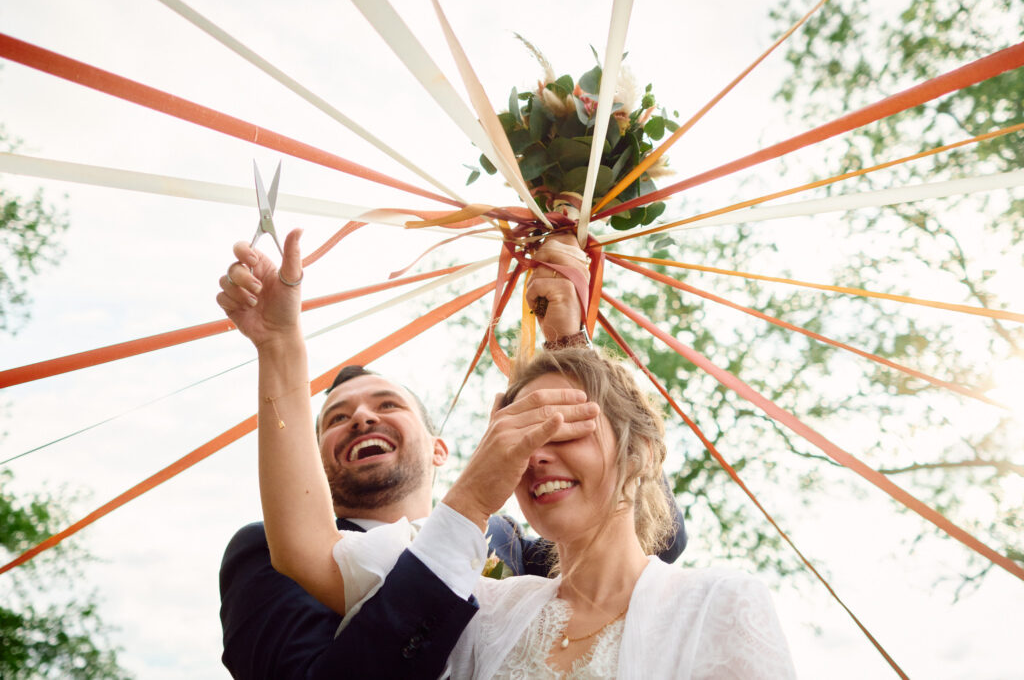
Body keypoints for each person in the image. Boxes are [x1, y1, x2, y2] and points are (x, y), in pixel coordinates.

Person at [215, 228, 687, 679]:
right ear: (313, 464)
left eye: (388, 405)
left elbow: (654, 540)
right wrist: (278, 345)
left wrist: (568, 341)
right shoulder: (266, 550)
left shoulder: (506, 539)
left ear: (439, 449)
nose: (361, 418)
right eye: (336, 418)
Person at [275, 348, 796, 678]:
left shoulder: (719, 604)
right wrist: (278, 343)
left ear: (638, 452)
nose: (537, 453)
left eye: (563, 427)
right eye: (520, 436)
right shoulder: (486, 613)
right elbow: (305, 550)